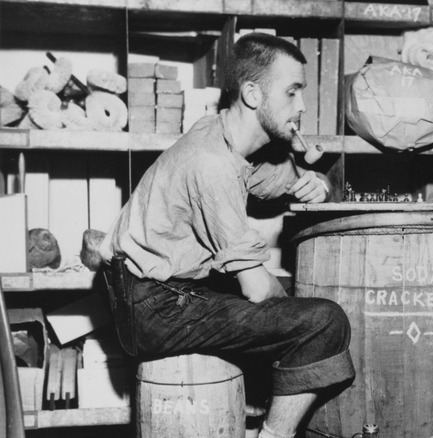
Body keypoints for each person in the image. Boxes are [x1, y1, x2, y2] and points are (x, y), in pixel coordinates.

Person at [99, 33, 354, 438]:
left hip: (156, 293)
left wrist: (315, 180)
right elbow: (258, 290)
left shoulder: (220, 134)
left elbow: (268, 179)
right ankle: (274, 435)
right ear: (253, 94)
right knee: (324, 321)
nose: (302, 107)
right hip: (153, 307)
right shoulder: (211, 164)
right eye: (292, 93)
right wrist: (295, 321)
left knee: (297, 317)